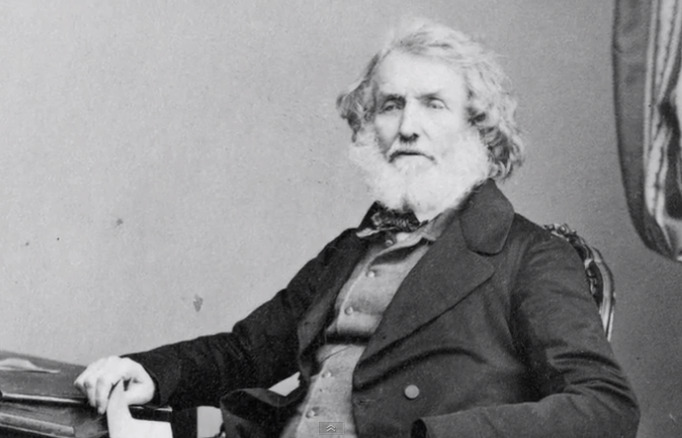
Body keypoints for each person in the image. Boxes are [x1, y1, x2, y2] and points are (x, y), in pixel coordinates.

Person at [75, 20, 640, 438]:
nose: (409, 126)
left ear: (478, 127)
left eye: (434, 105)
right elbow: (248, 352)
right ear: (370, 125)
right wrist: (149, 371)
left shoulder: (530, 256)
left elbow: (606, 405)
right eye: (391, 105)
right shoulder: (354, 248)